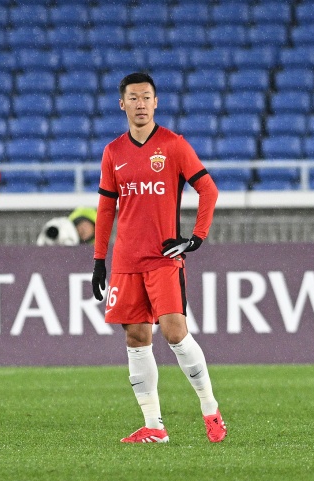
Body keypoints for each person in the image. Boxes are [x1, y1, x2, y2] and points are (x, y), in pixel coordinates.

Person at [91, 72, 226, 444]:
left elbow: (208, 190)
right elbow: (105, 209)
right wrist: (99, 260)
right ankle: (154, 425)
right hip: (126, 261)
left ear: (156, 102)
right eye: (133, 98)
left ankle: (210, 409)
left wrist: (196, 237)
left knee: (174, 332)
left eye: (146, 97)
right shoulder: (113, 152)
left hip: (164, 258)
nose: (140, 104)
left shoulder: (173, 145)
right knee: (136, 338)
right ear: (122, 104)